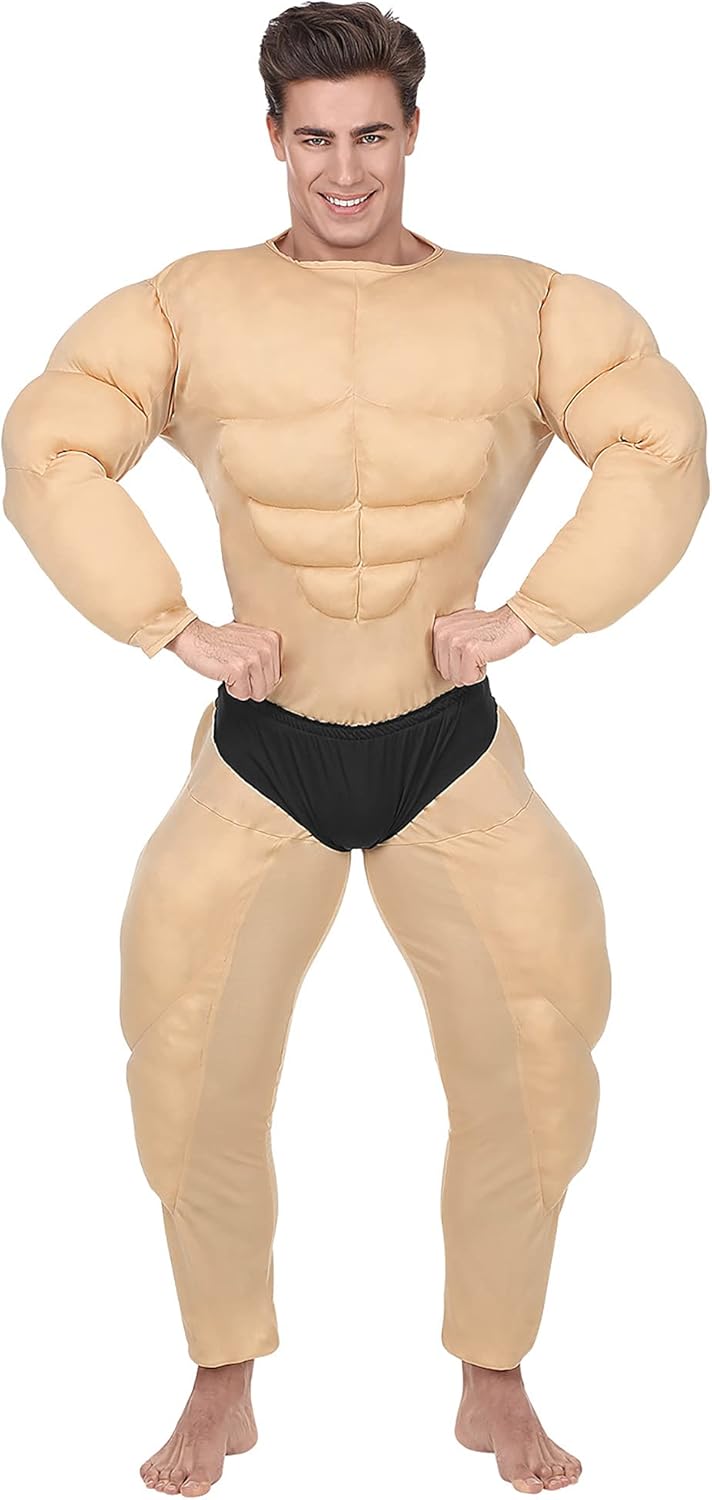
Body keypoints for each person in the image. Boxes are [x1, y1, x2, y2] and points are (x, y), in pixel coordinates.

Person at [2, 2, 708, 1495]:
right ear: (272, 136)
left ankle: (496, 1381)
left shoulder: (527, 306)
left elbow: (661, 437)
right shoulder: (189, 305)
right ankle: (221, 1381)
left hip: (447, 740)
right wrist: (170, 627)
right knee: (183, 1061)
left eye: (371, 134)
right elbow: (50, 440)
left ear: (413, 132)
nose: (343, 170)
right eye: (314, 137)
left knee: (542, 1049)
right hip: (264, 748)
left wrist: (537, 614)